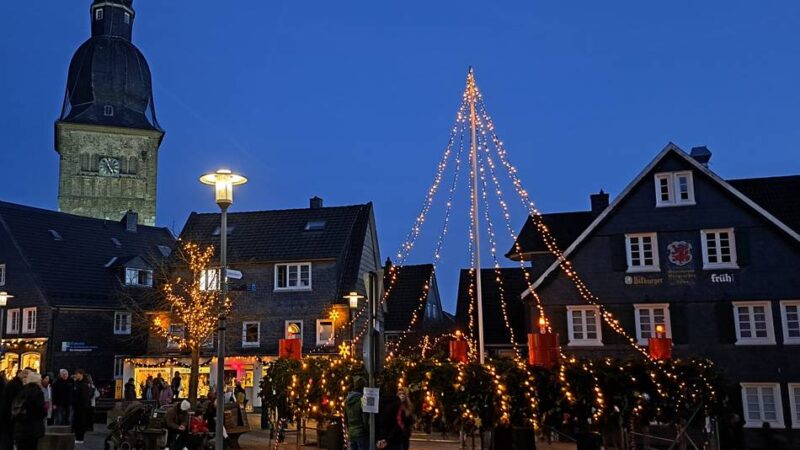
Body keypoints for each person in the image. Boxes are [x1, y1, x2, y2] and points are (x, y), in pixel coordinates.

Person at [12, 371, 47, 450]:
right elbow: (40, 409)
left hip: (21, 427)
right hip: (33, 427)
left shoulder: (23, 390)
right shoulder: (37, 392)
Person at [0, 369, 25, 450]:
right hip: (9, 414)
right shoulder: (15, 385)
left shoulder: (12, 383)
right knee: (7, 436)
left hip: (6, 413)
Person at [344, 377, 368, 450]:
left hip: (351, 432)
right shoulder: (362, 399)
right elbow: (364, 417)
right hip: (360, 432)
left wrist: (348, 429)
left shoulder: (347, 399)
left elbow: (345, 417)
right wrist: (366, 428)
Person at [71, 369, 92, 444]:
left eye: (77, 374)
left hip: (82, 407)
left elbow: (85, 396)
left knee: (81, 422)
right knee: (77, 422)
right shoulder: (77, 383)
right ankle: (77, 436)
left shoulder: (84, 384)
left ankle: (80, 438)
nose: (76, 375)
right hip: (77, 406)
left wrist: (84, 406)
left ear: (81, 374)